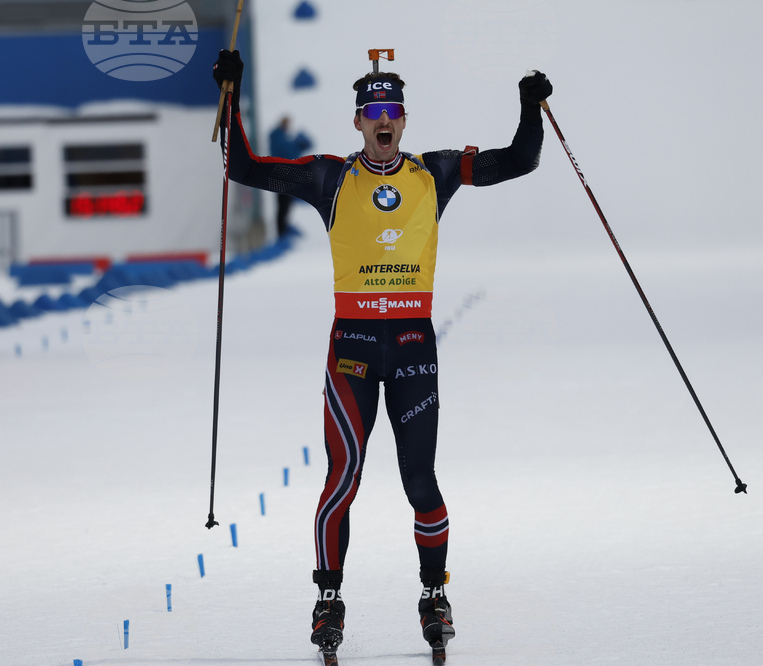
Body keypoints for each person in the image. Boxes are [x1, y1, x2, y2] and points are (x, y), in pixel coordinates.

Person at [212, 49, 552, 662]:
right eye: (373, 112)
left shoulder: (435, 172)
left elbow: (519, 161)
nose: (383, 120)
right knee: (342, 478)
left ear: (404, 119)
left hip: (414, 349)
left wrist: (530, 108)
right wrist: (230, 96)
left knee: (420, 481)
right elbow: (244, 166)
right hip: (353, 351)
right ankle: (328, 601)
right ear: (358, 122)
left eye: (392, 110)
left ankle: (434, 596)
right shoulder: (329, 178)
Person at [267, 116, 313, 237]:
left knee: (286, 205)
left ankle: (284, 230)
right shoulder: (277, 136)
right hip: (280, 175)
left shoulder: (282, 137)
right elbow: (285, 153)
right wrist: (297, 145)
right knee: (283, 205)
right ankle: (281, 233)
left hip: (285, 176)